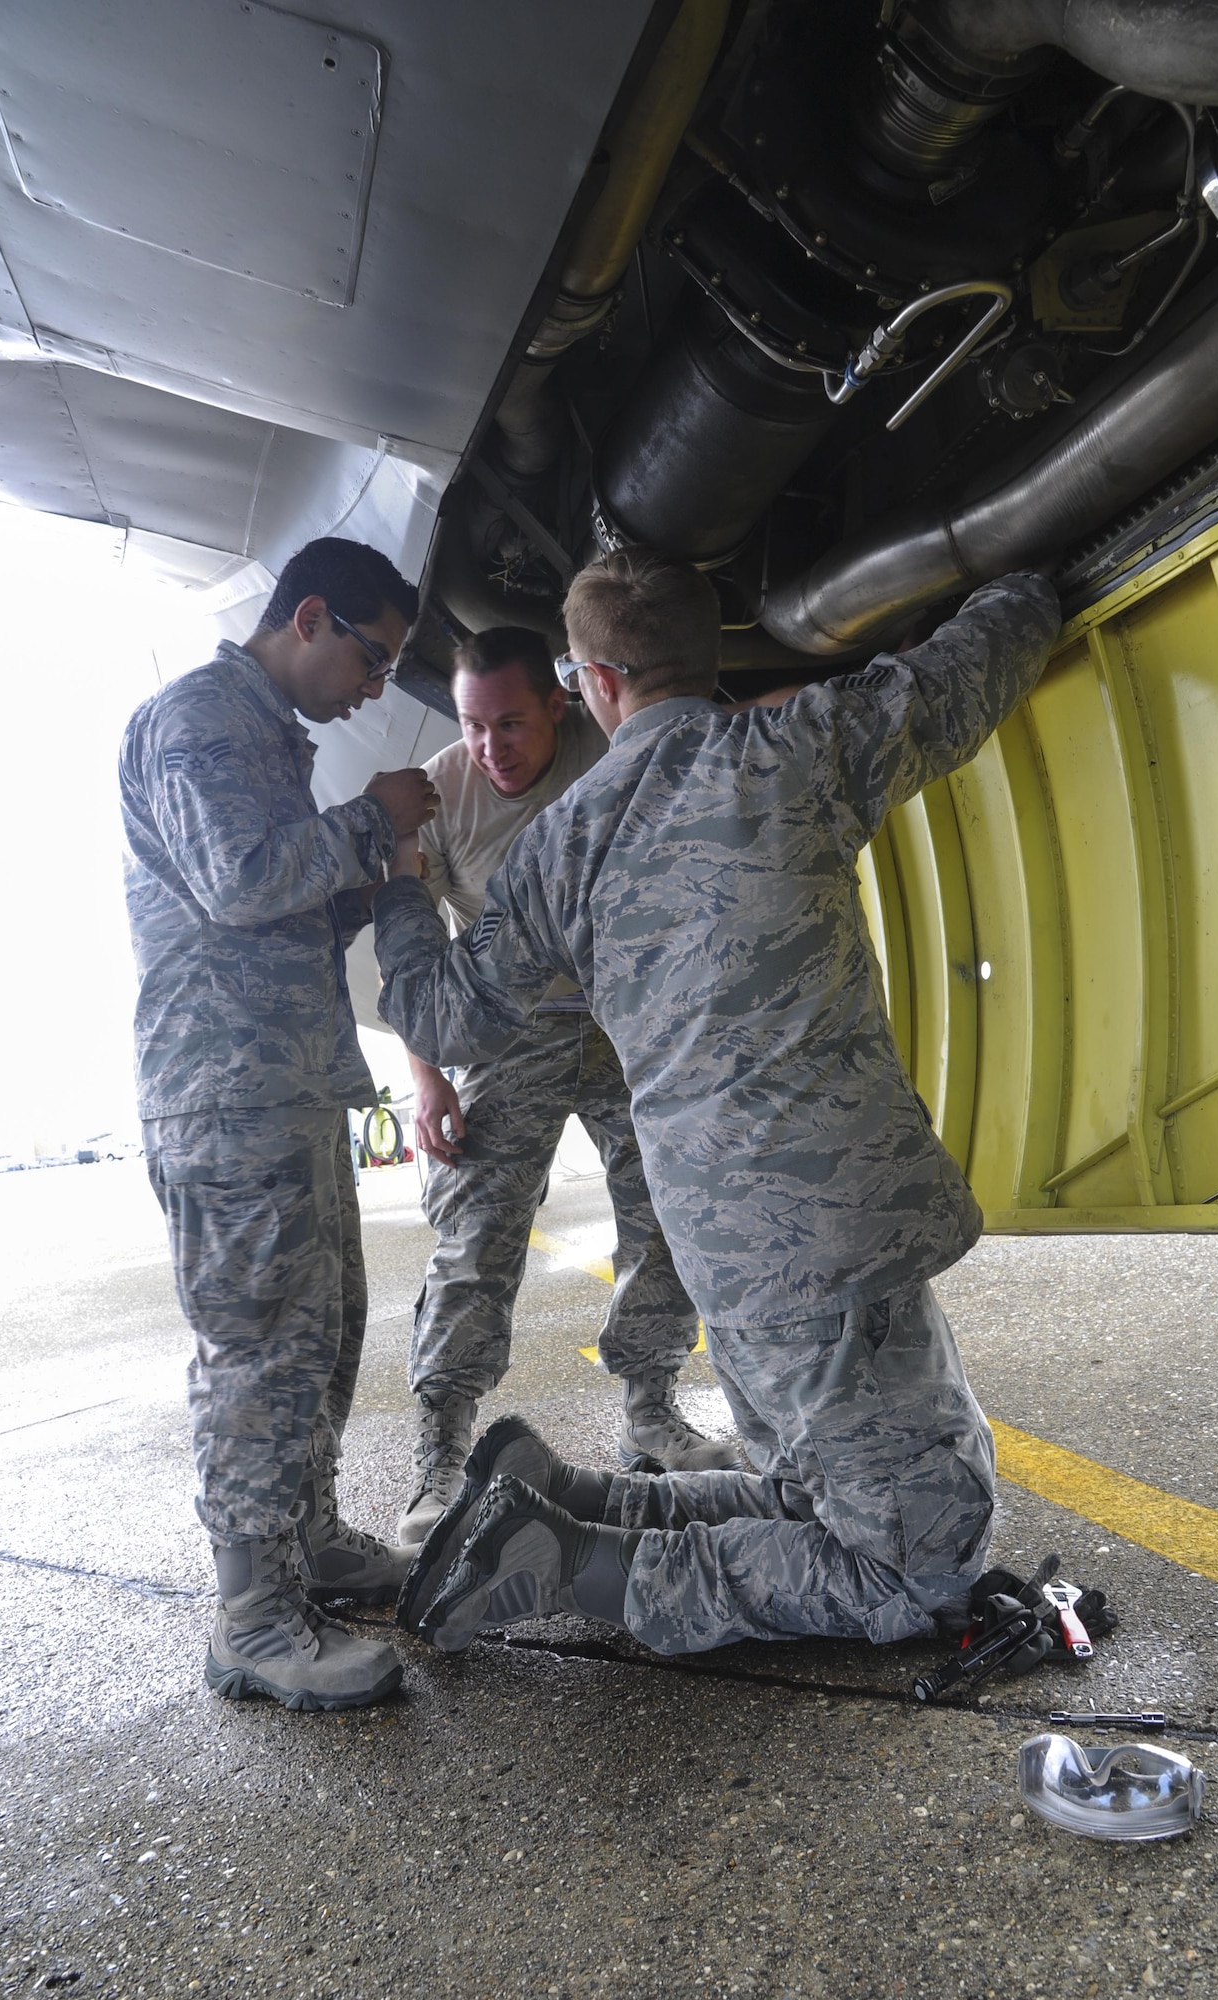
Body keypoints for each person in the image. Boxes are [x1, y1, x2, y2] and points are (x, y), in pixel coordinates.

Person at [372, 547, 1061, 1657]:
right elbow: (973, 664)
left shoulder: (562, 841)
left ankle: (569, 1501)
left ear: (591, 683)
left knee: (815, 1491)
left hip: (724, 1246)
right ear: (710, 655)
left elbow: (441, 1011)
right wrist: (1020, 571)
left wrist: (404, 880)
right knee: (913, 1561)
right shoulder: (796, 745)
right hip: (833, 1229)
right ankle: (562, 1564)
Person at [120, 536, 439, 1710]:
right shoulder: (200, 717)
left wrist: (366, 884)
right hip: (226, 1094)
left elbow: (273, 912)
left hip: (285, 1085)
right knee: (259, 1349)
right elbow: (237, 878)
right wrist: (368, 822)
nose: (373, 686)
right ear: (310, 617)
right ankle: (252, 1616)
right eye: (372, 657)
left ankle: (304, 1543)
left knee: (320, 1330)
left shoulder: (259, 732)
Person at [393, 626, 735, 1548]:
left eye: (510, 722)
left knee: (665, 1209)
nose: (490, 747)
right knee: (475, 1232)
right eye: (473, 726)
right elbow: (410, 948)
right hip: (509, 1026)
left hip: (624, 1015)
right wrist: (427, 1083)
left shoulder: (609, 749)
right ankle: (441, 1452)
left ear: (560, 701)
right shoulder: (440, 792)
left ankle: (652, 1409)